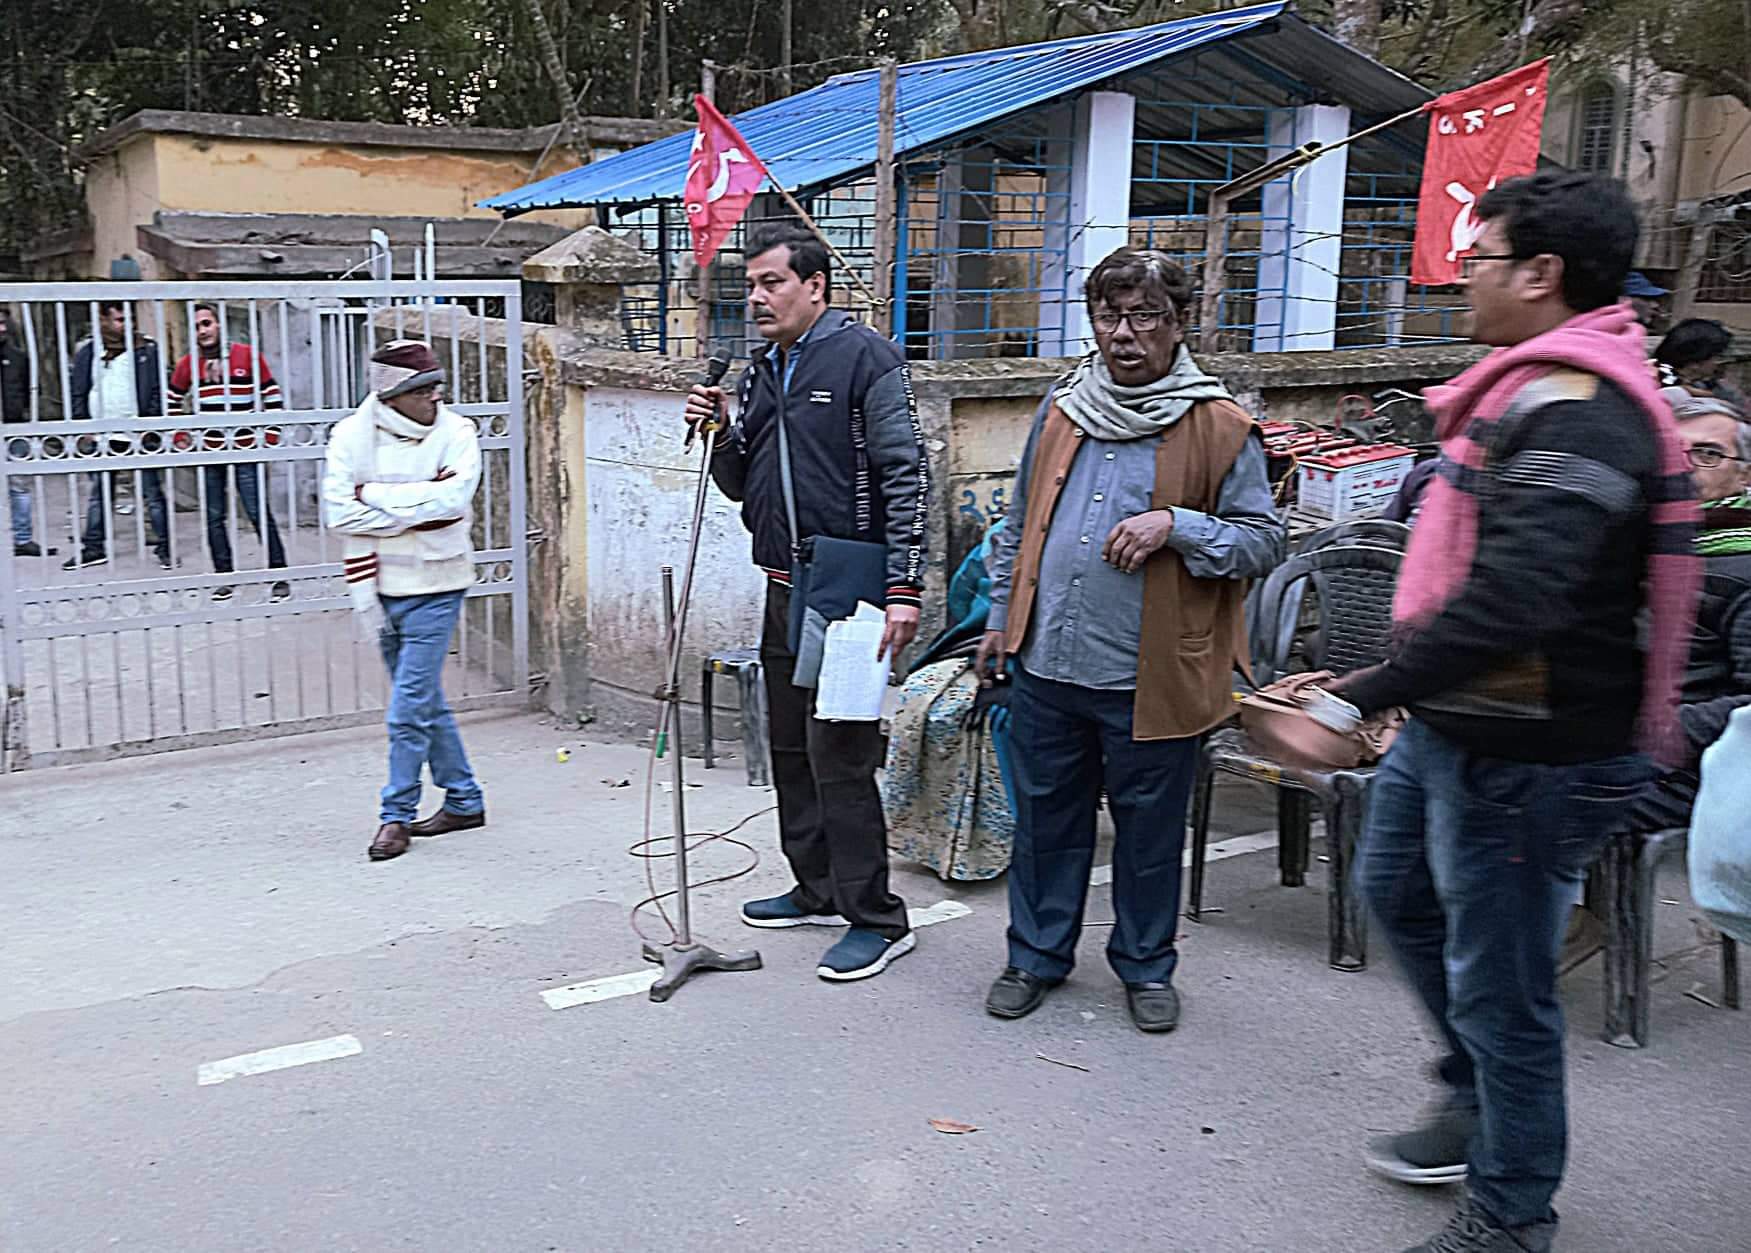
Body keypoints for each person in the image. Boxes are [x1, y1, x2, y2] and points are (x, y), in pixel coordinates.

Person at [1319, 172, 1700, 1253]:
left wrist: (1358, 693)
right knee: (1394, 888)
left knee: (1503, 986)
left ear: (1540, 274)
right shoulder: (1518, 391)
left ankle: (1509, 1209)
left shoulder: (1583, 411)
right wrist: (1392, 687)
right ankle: (1476, 1091)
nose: (1460, 278)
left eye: (1477, 258)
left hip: (1535, 750)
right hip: (1461, 720)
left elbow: (1516, 599)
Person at [974, 247, 1284, 1033]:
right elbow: (1018, 523)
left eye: (1144, 315)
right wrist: (999, 619)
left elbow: (1262, 540)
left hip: (1152, 675)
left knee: (1148, 834)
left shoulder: (1218, 425)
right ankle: (1034, 956)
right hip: (1048, 660)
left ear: (1179, 323)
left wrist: (1176, 525)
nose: (1123, 333)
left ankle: (1146, 966)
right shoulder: (1064, 407)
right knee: (1046, 825)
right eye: (1109, 315)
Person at [683, 222, 929, 983]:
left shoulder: (866, 359)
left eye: (772, 283)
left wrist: (903, 588)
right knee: (788, 746)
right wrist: (721, 433)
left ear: (814, 286)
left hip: (850, 590)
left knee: (840, 756)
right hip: (783, 584)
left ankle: (877, 918)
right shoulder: (763, 370)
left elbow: (906, 472)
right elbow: (742, 484)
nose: (757, 298)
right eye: (750, 286)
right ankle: (816, 886)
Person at [322, 340, 486, 863]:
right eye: (422, 389)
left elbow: (452, 502)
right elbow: (337, 514)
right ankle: (464, 799)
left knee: (407, 709)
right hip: (376, 587)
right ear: (392, 395)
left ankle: (395, 815)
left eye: (438, 385)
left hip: (438, 584)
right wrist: (418, 506)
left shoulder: (457, 432)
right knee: (422, 702)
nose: (436, 396)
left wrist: (371, 494)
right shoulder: (350, 436)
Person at [169, 302, 290, 601]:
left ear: (219, 324)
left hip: (245, 448)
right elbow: (172, 399)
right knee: (214, 516)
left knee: (257, 512)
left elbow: (272, 394)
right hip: (211, 451)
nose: (202, 331)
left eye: (206, 323)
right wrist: (180, 434)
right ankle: (224, 576)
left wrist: (271, 434)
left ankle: (279, 575)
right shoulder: (189, 364)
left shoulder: (247, 355)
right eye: (196, 327)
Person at [65, 302, 169, 571]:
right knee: (100, 494)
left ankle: (166, 546)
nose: (127, 325)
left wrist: (151, 424)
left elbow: (157, 388)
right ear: (103, 320)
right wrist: (82, 426)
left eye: (129, 319)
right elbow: (79, 390)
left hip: (138, 434)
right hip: (102, 435)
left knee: (152, 493)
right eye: (120, 319)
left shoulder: (145, 349)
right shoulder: (90, 351)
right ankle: (93, 547)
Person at [0, 305, 38, 557]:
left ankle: (22, 539)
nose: (2, 329)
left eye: (4, 323)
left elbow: (26, 391)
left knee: (19, 485)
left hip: (14, 428)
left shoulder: (17, 357)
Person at [1654, 317, 1746, 409]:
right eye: (1718, 357)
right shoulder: (1655, 385)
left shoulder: (1717, 388)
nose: (1720, 364)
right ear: (1696, 361)